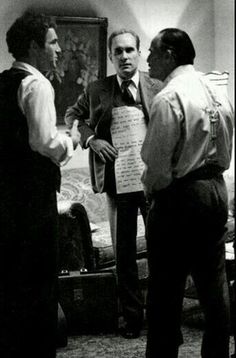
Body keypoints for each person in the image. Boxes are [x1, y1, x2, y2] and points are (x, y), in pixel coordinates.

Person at [141, 28, 234, 357]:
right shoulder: (217, 92)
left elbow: (156, 165)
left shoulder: (168, 97)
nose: (147, 58)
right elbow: (226, 151)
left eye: (152, 51)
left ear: (169, 55)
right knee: (213, 285)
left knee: (164, 291)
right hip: (216, 190)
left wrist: (152, 193)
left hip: (180, 197)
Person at [65, 29, 163, 338]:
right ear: (110, 57)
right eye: (117, 51)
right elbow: (71, 116)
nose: (124, 56)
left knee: (163, 250)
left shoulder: (156, 85)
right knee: (124, 256)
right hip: (117, 183)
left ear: (138, 53)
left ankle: (162, 317)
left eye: (129, 50)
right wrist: (92, 139)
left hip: (152, 183)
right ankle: (133, 319)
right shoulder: (97, 89)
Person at [0, 11, 79, 358]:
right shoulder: (37, 84)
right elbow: (45, 142)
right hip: (33, 197)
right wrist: (71, 141)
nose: (59, 49)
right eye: (52, 41)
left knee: (11, 279)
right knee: (39, 279)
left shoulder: (3, 81)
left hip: (6, 197)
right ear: (34, 46)